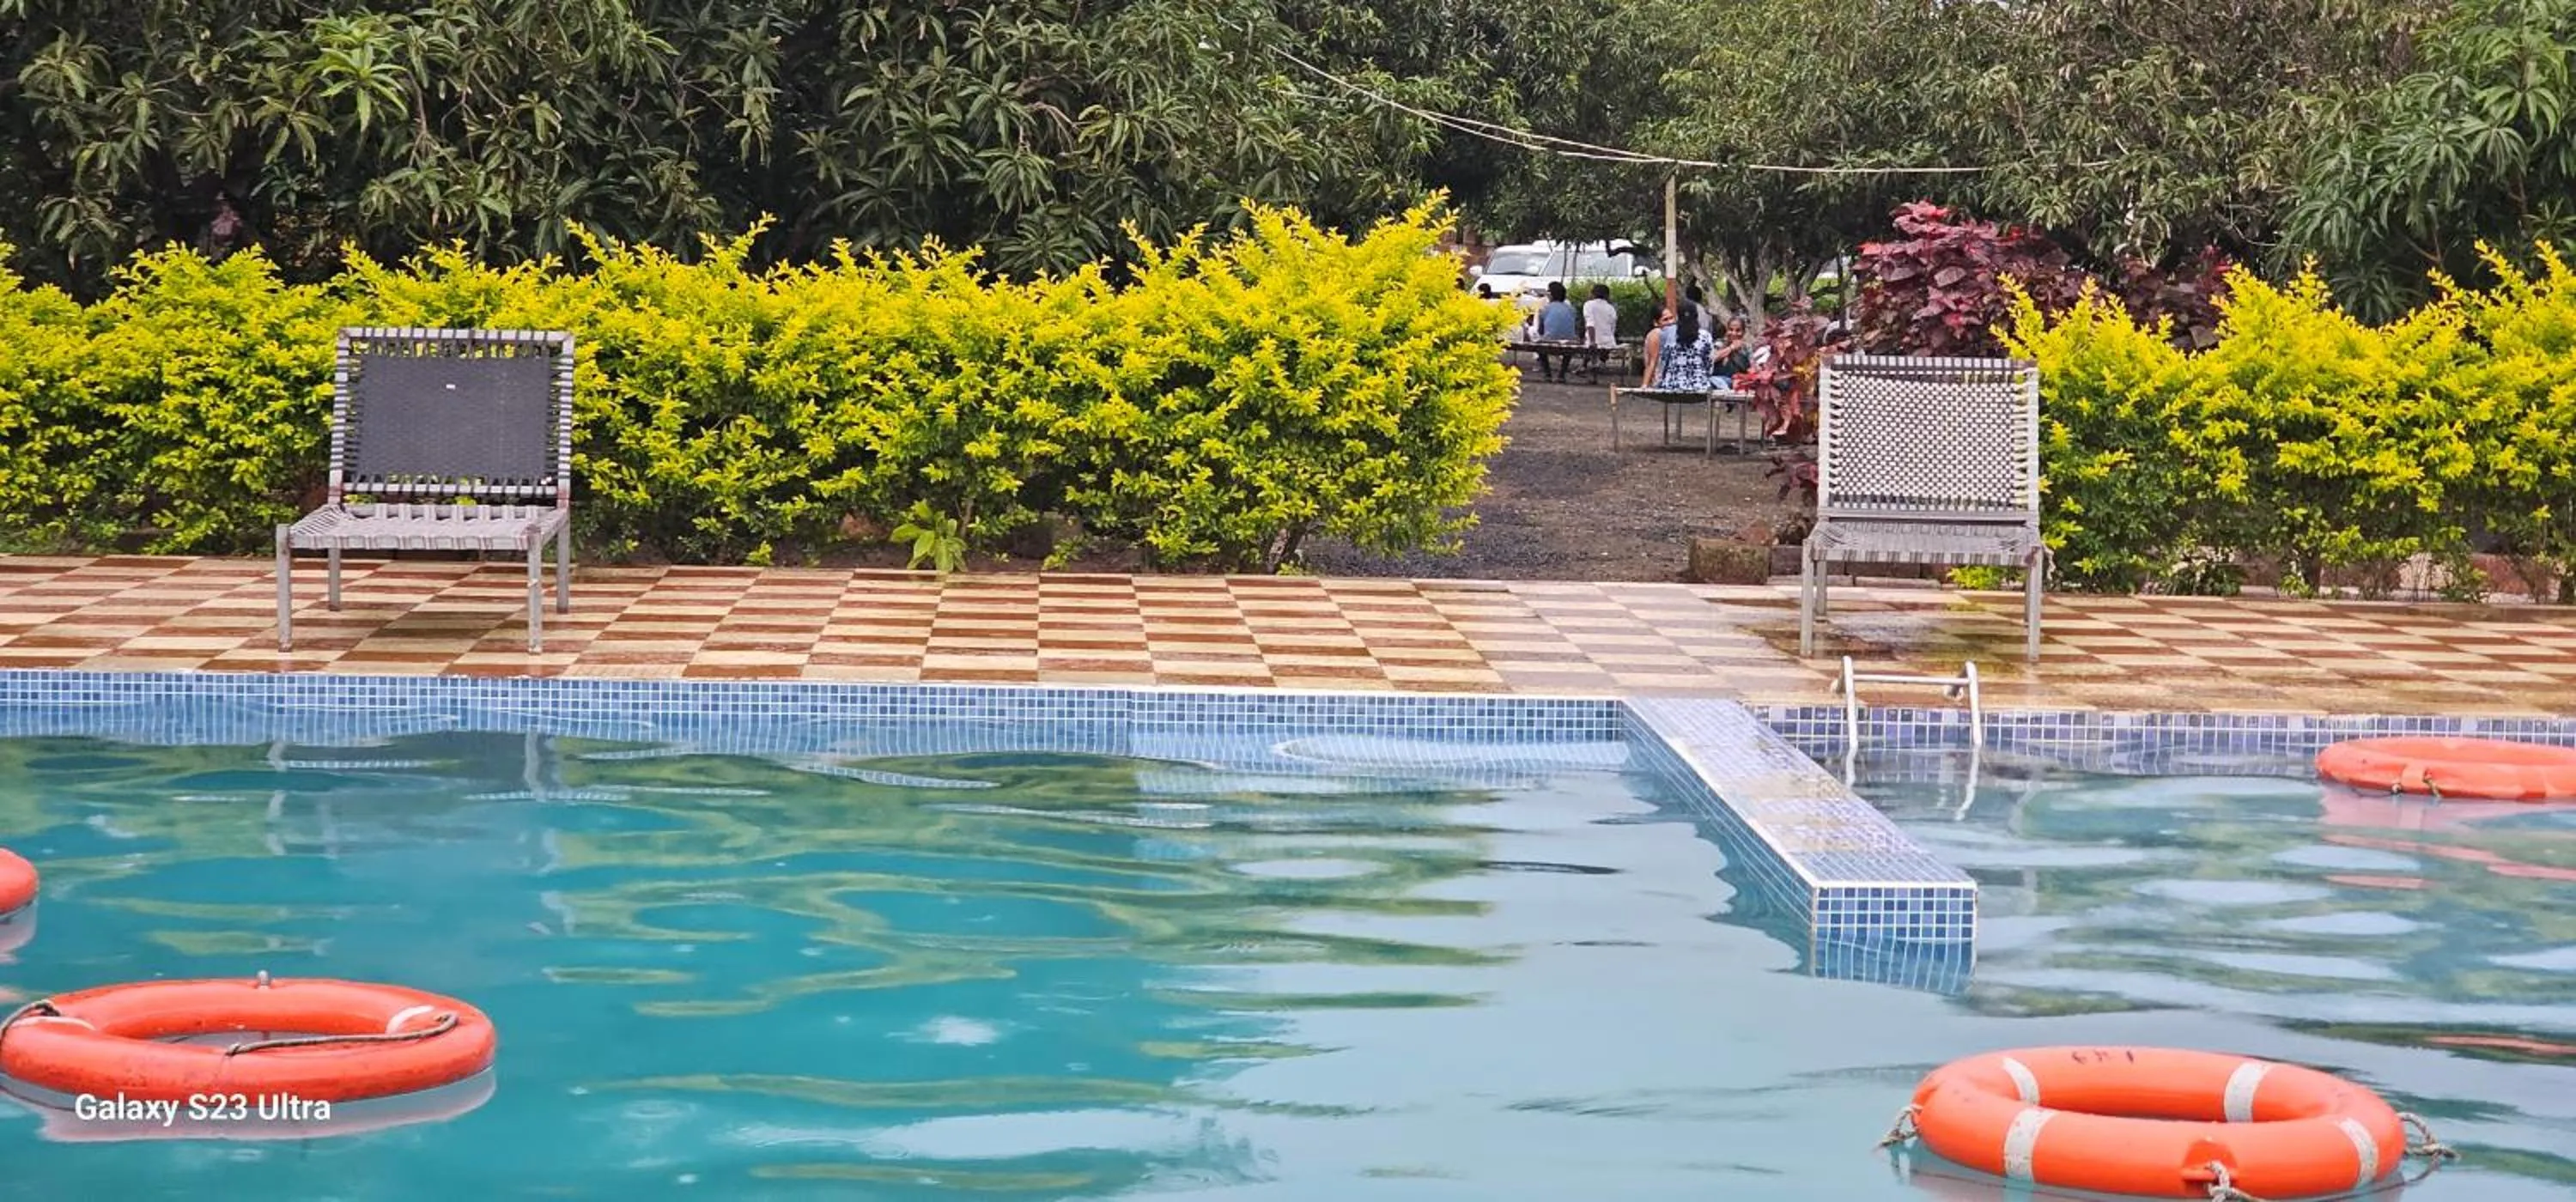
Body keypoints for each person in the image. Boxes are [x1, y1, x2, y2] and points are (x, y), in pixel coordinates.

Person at [1639, 297, 1716, 392]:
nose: (1670, 322)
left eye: (1671, 318)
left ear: (1678, 317)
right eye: (1665, 319)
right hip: (1700, 387)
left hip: (1671, 386)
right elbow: (1710, 363)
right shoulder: (1706, 336)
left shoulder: (1668, 334)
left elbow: (1664, 361)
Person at [1533, 282, 1582, 381]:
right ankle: (1561, 374)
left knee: (1539, 347)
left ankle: (1548, 374)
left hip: (1550, 341)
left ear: (1551, 295)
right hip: (1569, 342)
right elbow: (1575, 326)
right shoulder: (1571, 309)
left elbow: (1540, 330)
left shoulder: (1545, 308)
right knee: (1569, 349)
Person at [1712, 318, 1753, 386]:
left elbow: (1752, 366)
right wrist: (1731, 348)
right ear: (1727, 330)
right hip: (1717, 382)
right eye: (1731, 330)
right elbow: (1711, 358)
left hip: (1738, 384)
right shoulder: (1719, 344)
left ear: (1743, 332)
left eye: (1738, 330)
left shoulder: (1747, 348)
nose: (1734, 333)